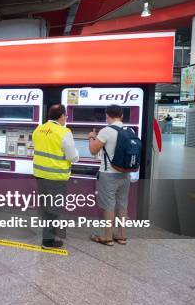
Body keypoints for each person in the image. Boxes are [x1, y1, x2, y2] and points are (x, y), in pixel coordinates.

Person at [32, 104, 79, 249]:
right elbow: (73, 157)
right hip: (56, 177)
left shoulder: (38, 129)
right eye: (65, 116)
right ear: (61, 116)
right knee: (54, 209)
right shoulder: (64, 132)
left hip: (40, 175)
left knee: (46, 207)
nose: (66, 118)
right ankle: (48, 241)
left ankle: (48, 234)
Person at [88, 105, 131, 246]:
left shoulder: (106, 131)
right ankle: (122, 236)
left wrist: (91, 138)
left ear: (107, 116)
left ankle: (107, 237)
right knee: (122, 205)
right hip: (125, 174)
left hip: (109, 174)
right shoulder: (129, 130)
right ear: (122, 116)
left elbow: (93, 151)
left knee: (109, 206)